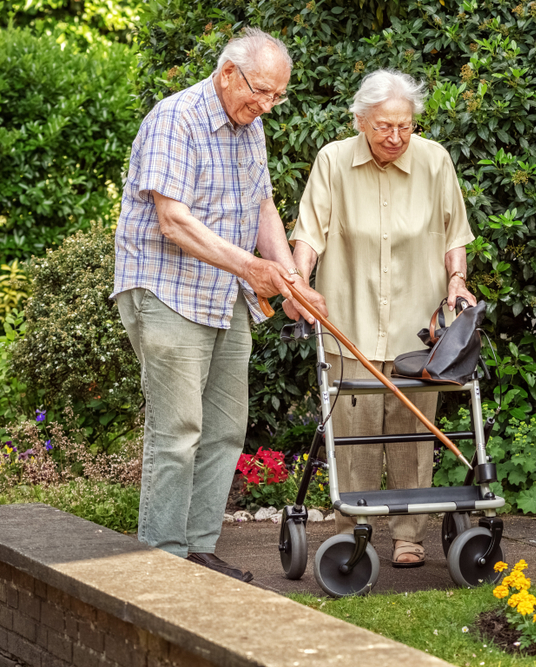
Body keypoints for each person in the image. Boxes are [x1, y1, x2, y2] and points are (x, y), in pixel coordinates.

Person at [112, 28, 327, 582]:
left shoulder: (249, 127)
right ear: (228, 73)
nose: (266, 106)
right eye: (260, 91)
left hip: (221, 292)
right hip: (165, 287)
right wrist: (254, 270)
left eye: (278, 97)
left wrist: (292, 279)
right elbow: (173, 221)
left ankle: (199, 550)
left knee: (227, 427)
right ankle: (162, 558)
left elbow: (262, 208)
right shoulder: (175, 118)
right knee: (178, 427)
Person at [286, 69, 477, 568]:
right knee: (353, 438)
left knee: (415, 436)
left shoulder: (435, 161)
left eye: (405, 126)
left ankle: (409, 536)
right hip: (349, 324)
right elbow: (310, 233)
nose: (395, 137)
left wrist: (457, 280)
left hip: (420, 332)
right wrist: (300, 282)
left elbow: (455, 233)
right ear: (360, 121)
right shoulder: (332, 161)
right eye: (383, 127)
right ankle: (354, 531)